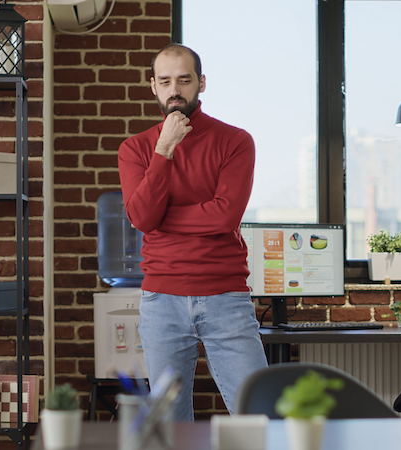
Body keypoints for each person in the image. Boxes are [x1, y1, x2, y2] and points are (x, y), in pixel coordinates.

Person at [117, 44, 268, 421]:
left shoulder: (235, 141)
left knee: (257, 414)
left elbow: (223, 216)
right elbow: (142, 217)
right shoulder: (136, 149)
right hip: (161, 301)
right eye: (165, 81)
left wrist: (159, 218)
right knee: (169, 425)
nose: (175, 90)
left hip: (225, 297)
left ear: (201, 83)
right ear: (153, 86)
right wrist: (164, 149)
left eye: (184, 80)